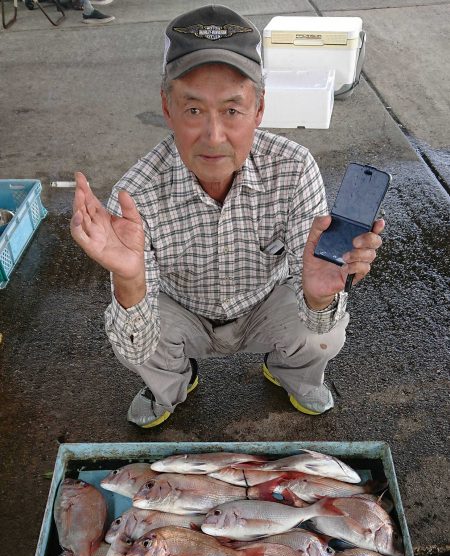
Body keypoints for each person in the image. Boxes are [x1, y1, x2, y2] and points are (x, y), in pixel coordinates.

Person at [71, 4, 384, 427]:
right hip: (182, 310)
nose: (214, 137)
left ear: (259, 110)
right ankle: (172, 384)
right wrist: (129, 281)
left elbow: (316, 294)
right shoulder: (135, 194)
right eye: (194, 110)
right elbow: (131, 345)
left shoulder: (294, 167)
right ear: (167, 109)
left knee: (323, 326)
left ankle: (291, 371)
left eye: (232, 110)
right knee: (137, 330)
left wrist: (319, 294)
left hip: (264, 305)